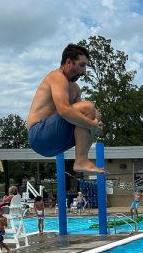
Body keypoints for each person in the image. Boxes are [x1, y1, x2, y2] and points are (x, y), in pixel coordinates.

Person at [27, 43, 104, 174]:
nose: (84, 71)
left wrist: (95, 124)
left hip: (54, 144)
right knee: (88, 108)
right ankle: (81, 160)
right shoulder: (56, 77)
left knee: (95, 114)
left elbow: (84, 117)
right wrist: (92, 125)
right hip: (38, 135)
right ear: (69, 62)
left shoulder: (75, 88)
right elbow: (64, 110)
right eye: (82, 65)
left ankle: (81, 159)